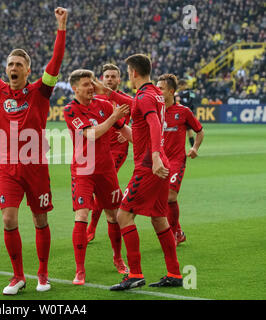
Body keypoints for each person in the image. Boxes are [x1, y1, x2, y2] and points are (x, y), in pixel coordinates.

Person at [0, 7, 67, 295]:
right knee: (9, 219)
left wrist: (61, 27)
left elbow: (56, 61)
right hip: (8, 166)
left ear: (27, 70)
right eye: (10, 64)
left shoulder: (41, 91)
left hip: (35, 165)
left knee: (40, 219)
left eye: (18, 65)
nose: (12, 68)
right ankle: (17, 276)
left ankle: (43, 274)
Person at [109, 54, 183, 291]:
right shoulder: (153, 95)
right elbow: (134, 105)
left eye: (127, 72)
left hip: (149, 167)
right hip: (160, 164)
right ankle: (174, 273)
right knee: (159, 218)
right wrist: (107, 91)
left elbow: (153, 124)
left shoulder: (145, 97)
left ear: (132, 73)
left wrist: (154, 156)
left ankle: (135, 274)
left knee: (123, 215)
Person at [63, 69, 131, 285]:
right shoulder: (70, 110)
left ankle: (118, 259)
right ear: (75, 88)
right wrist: (113, 116)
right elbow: (91, 134)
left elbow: (125, 129)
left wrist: (145, 145)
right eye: (86, 84)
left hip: (106, 170)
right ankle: (80, 270)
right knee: (82, 215)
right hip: (83, 171)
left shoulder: (103, 105)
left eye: (92, 83)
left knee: (114, 216)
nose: (91, 87)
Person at [86, 64, 132, 275]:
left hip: (117, 149)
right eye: (107, 76)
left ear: (119, 79)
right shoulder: (95, 98)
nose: (110, 79)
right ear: (102, 78)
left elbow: (134, 115)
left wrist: (126, 130)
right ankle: (96, 227)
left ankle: (92, 228)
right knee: (100, 191)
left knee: (104, 189)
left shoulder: (122, 98)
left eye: (114, 76)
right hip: (98, 149)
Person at [157, 74, 204, 246]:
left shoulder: (183, 112)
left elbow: (199, 130)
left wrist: (194, 148)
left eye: (160, 88)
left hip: (176, 160)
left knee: (170, 196)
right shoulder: (154, 111)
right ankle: (178, 231)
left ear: (171, 91)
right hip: (158, 161)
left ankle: (174, 234)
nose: (157, 91)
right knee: (160, 200)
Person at [178, 79, 197, 147]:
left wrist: (181, 100)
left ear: (184, 85)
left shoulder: (191, 92)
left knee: (189, 131)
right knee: (181, 132)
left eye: (180, 86)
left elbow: (190, 103)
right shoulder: (179, 93)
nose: (179, 88)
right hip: (181, 114)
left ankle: (193, 148)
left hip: (189, 114)